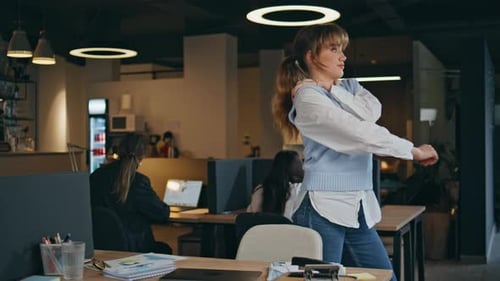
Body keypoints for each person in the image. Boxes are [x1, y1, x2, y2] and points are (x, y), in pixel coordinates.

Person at [271, 23, 438, 280]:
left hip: (356, 206)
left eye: (343, 49)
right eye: (334, 49)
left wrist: (334, 88)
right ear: (312, 56)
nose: (343, 56)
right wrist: (412, 151)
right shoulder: (307, 97)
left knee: (384, 277)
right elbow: (359, 133)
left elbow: (372, 111)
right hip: (322, 207)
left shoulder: (347, 86)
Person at [90, 133, 172, 254]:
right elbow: (162, 214)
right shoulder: (138, 181)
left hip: (99, 246)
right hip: (134, 247)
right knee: (165, 249)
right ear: (142, 156)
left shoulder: (96, 176)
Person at [247, 150, 306, 220]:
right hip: (288, 230)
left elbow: (251, 216)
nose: (303, 165)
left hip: (264, 229)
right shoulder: (298, 190)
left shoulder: (261, 189)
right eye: (299, 162)